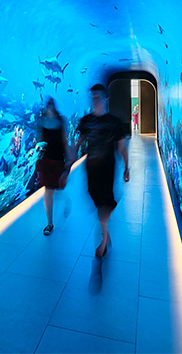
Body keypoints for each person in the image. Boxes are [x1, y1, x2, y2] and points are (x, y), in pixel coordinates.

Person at [75, 84, 129, 257]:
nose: (94, 100)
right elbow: (78, 142)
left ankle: (104, 240)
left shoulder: (114, 122)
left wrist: (127, 168)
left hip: (107, 170)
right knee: (96, 202)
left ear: (106, 99)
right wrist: (68, 164)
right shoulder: (85, 121)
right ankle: (105, 227)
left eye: (98, 97)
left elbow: (121, 148)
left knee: (104, 206)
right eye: (92, 97)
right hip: (90, 170)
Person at [36, 97, 70, 235]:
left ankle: (66, 201)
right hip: (47, 161)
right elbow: (40, 140)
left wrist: (68, 158)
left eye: (51, 106)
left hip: (58, 160)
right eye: (47, 106)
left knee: (58, 189)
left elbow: (64, 140)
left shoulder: (60, 121)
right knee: (48, 191)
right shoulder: (42, 121)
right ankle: (49, 223)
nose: (49, 109)